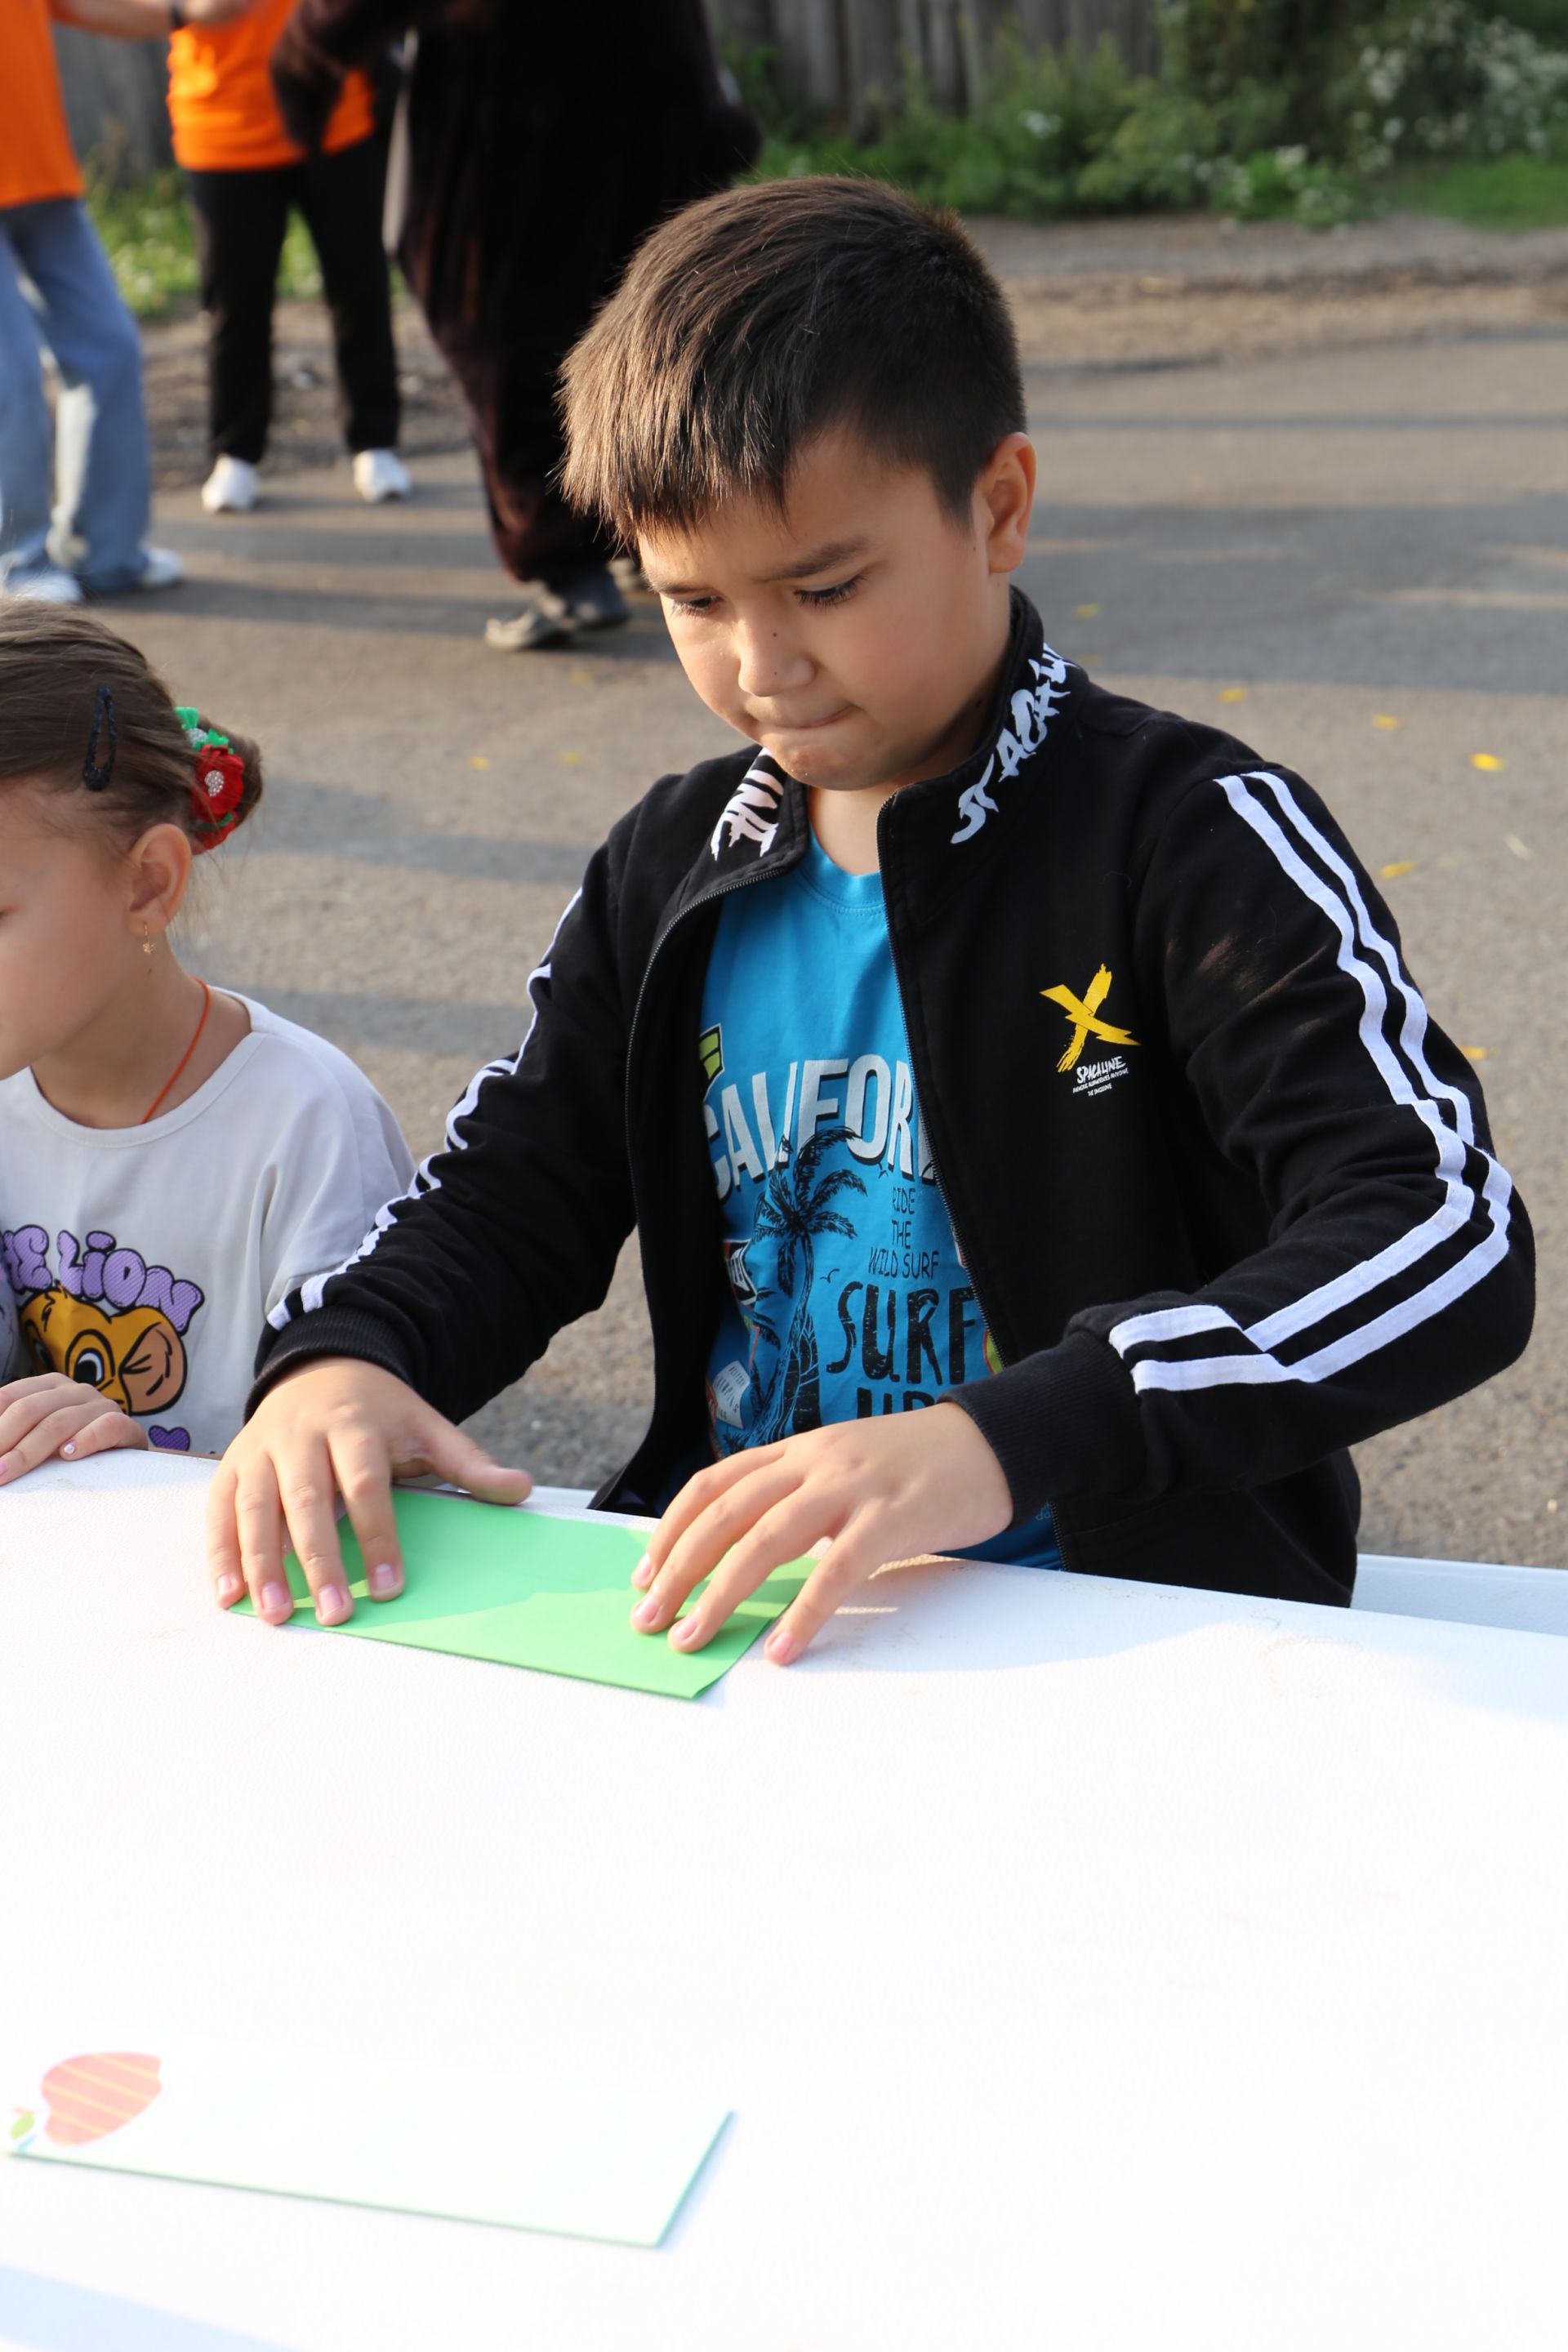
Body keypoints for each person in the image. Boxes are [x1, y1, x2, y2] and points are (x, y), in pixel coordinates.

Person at [209, 177, 1534, 1656]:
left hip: (1134, 1642)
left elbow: (1440, 1233)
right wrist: (344, 1355)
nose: (762, 665)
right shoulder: (672, 860)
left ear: (1000, 506)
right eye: (691, 601)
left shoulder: (1187, 835)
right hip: (758, 1631)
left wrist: (1003, 1438)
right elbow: (517, 1187)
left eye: (826, 586)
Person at [0, 606, 414, 1578]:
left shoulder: (306, 1123)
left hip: (247, 1610)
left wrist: (139, 1472)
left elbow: (364, 1471)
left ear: (148, 884)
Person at [266, 0, 757, 649]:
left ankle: (568, 569)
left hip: (506, 148)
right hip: (655, 119)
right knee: (654, 336)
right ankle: (651, 534)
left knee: (505, 348)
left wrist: (302, 64)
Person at [0, 0, 237, 602]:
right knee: (11, 376)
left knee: (110, 347)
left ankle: (102, 552)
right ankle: (18, 564)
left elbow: (80, 4)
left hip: (44, 179)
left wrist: (185, 12)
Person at [168, 0, 411, 514]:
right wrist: (182, 7)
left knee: (361, 284)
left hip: (336, 111)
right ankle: (235, 451)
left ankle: (375, 441)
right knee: (235, 300)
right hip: (224, 126)